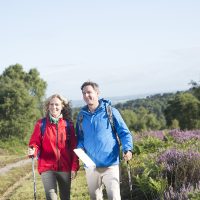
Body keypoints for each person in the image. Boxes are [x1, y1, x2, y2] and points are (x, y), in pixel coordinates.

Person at [76, 81, 133, 200]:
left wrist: (128, 149)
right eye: (84, 93)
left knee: (114, 197)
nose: (86, 95)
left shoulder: (111, 112)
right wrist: (80, 147)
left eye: (89, 92)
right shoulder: (81, 116)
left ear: (97, 93)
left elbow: (124, 133)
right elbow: (81, 137)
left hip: (110, 164)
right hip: (90, 166)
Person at [28, 94, 79, 200]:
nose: (54, 107)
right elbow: (35, 142)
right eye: (51, 104)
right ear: (48, 106)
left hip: (65, 167)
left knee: (65, 197)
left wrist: (74, 167)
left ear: (62, 106)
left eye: (57, 104)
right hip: (47, 167)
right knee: (51, 197)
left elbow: (74, 148)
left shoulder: (68, 125)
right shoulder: (41, 124)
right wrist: (33, 148)